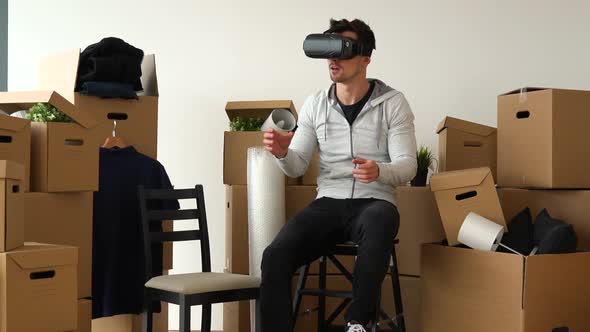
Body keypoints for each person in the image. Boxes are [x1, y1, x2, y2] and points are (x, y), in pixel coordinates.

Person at [261, 18, 418, 332]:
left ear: (365, 59)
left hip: (374, 201)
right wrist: (281, 153)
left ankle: (357, 324)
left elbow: (408, 166)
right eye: (328, 51)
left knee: (380, 220)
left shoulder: (393, 103)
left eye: (342, 51)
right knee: (274, 256)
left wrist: (379, 171)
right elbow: (297, 165)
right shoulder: (315, 105)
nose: (333, 59)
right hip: (328, 202)